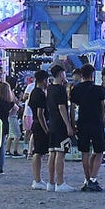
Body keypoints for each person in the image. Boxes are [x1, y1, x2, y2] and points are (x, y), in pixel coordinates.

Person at [70, 64, 105, 191]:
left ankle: (87, 179)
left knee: (84, 152)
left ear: (81, 75)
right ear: (93, 75)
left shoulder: (76, 89)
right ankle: (93, 178)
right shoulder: (99, 89)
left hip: (82, 122)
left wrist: (72, 123)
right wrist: (101, 119)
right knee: (99, 150)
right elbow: (104, 107)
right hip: (96, 122)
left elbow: (72, 107)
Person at [45, 64, 76, 192]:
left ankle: (51, 182)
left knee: (52, 152)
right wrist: (68, 125)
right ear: (61, 74)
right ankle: (60, 182)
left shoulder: (50, 88)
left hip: (52, 123)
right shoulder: (61, 90)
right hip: (60, 124)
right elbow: (62, 108)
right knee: (60, 153)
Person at [28, 69, 50, 190]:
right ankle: (37, 179)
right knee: (38, 152)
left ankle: (37, 178)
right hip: (40, 124)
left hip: (36, 123)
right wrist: (45, 128)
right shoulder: (40, 94)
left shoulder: (33, 92)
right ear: (44, 80)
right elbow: (40, 113)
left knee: (38, 152)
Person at [0, 82, 15, 174]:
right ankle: (0, 166)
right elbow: (16, 108)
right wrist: (8, 114)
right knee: (2, 146)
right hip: (5, 123)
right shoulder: (9, 102)